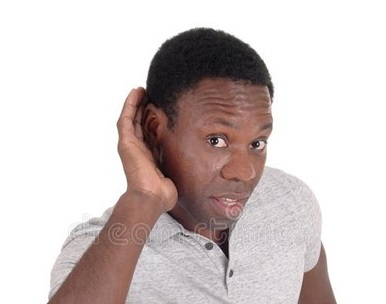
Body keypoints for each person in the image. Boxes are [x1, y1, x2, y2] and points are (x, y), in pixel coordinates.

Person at [48, 28, 336, 303]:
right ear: (153, 127)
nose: (244, 171)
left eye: (257, 143)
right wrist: (143, 199)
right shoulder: (99, 251)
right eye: (216, 141)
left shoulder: (290, 202)